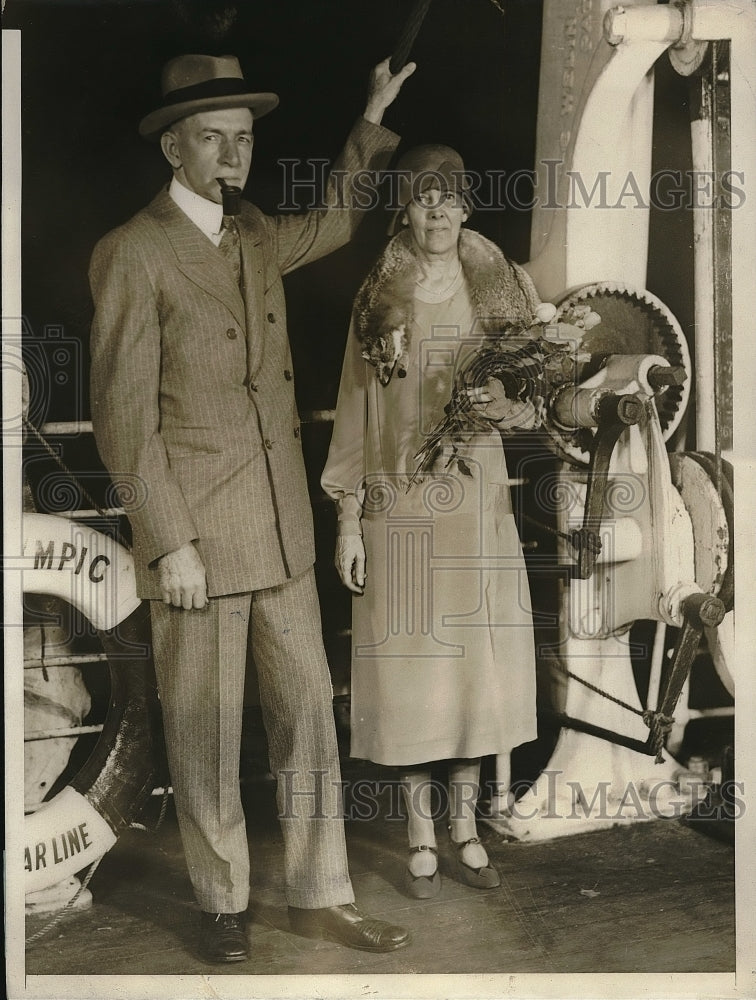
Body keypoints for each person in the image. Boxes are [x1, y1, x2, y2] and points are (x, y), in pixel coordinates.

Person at [89, 52, 415, 964]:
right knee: (203, 725)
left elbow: (343, 215)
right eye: (212, 138)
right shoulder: (133, 252)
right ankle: (221, 899)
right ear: (172, 150)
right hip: (195, 538)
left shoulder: (260, 232)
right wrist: (168, 543)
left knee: (311, 711)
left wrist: (372, 114)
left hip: (279, 531)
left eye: (243, 138)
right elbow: (122, 424)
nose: (233, 155)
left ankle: (321, 895)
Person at [322, 144, 539, 898]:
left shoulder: (504, 288)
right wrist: (348, 519)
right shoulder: (378, 295)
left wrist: (505, 406)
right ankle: (418, 833)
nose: (437, 212)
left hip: (476, 504)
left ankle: (466, 828)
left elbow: (533, 406)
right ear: (404, 210)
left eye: (449, 197)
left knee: (472, 670)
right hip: (398, 505)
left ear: (468, 204)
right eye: (421, 199)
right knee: (416, 672)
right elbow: (355, 410)